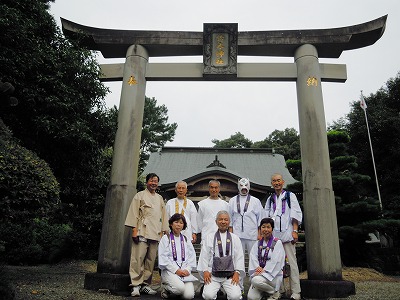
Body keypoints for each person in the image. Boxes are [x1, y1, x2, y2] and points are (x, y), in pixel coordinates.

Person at [125, 173, 169, 297]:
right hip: (142, 230)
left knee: (150, 260)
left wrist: (165, 229)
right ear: (147, 182)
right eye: (151, 180)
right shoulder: (139, 195)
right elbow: (134, 212)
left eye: (156, 181)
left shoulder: (160, 198)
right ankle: (135, 285)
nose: (153, 183)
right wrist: (134, 229)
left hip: (155, 232)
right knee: (138, 258)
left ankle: (145, 284)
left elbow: (163, 215)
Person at [264, 173, 303, 300]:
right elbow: (267, 218)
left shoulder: (290, 196)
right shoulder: (270, 199)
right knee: (276, 264)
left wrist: (295, 231)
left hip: (288, 233)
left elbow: (295, 213)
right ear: (272, 183)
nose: (276, 183)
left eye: (278, 180)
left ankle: (296, 291)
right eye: (274, 181)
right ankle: (279, 290)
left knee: (292, 263)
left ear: (283, 182)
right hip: (275, 236)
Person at [197, 210, 245, 300]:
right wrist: (205, 271)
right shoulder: (209, 237)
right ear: (216, 222)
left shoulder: (235, 238)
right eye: (221, 219)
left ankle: (229, 292)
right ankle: (213, 290)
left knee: (236, 296)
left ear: (229, 222)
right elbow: (204, 256)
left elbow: (239, 257)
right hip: (213, 275)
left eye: (226, 220)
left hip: (229, 275)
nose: (223, 222)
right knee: (208, 296)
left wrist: (237, 272)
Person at [158, 213, 198, 299]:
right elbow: (163, 258)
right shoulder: (166, 238)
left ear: (183, 225)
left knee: (189, 296)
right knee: (179, 289)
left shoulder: (186, 239)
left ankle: (177, 288)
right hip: (170, 271)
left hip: (184, 272)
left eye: (181, 223)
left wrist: (188, 269)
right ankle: (166, 288)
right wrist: (176, 270)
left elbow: (192, 257)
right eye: (176, 222)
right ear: (171, 224)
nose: (178, 225)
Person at [228, 178, 263, 270]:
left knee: (254, 258)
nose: (244, 189)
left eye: (245, 186)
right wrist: (231, 234)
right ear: (238, 187)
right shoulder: (232, 201)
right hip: (237, 234)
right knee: (238, 258)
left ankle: (254, 281)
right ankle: (239, 281)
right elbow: (230, 219)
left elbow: (260, 219)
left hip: (252, 234)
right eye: (242, 187)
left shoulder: (256, 201)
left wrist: (260, 234)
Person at [247, 218, 286, 300]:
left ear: (272, 229)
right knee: (251, 297)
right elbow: (253, 258)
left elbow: (277, 261)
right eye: (263, 227)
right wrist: (257, 268)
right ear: (260, 229)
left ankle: (274, 292)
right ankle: (269, 292)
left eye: (268, 227)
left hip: (272, 276)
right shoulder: (257, 243)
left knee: (255, 281)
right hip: (259, 274)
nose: (266, 229)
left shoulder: (277, 243)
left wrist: (264, 270)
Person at [197, 179, 229, 244]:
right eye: (212, 187)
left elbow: (227, 221)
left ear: (219, 189)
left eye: (216, 187)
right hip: (206, 236)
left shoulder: (225, 205)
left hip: (222, 237)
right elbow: (199, 222)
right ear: (209, 188)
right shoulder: (202, 204)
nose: (214, 190)